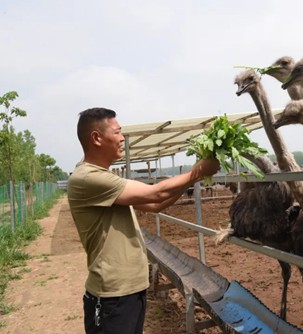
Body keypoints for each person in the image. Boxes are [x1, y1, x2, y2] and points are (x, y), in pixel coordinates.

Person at [67, 107, 219, 334]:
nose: (122, 138)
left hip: (131, 290)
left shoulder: (103, 177)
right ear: (97, 138)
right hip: (111, 295)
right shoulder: (87, 177)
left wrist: (192, 179)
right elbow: (156, 193)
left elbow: (156, 205)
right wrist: (197, 172)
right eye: (117, 132)